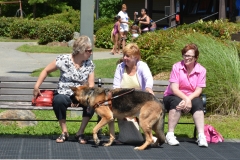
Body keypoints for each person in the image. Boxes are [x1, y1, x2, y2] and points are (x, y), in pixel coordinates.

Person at [33, 36, 95, 144]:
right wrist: (36, 86)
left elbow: (91, 85)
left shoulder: (89, 64)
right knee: (58, 100)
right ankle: (64, 131)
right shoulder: (63, 59)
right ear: (81, 50)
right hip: (64, 93)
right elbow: (46, 70)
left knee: (92, 102)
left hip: (81, 95)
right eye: (89, 50)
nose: (91, 52)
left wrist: (79, 99)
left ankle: (80, 132)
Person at [163, 43, 208, 147]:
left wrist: (188, 99)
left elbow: (198, 90)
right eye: (185, 55)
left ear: (196, 57)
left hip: (190, 97)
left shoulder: (201, 70)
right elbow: (174, 89)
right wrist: (186, 99)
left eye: (190, 56)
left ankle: (201, 136)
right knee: (176, 101)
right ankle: (170, 134)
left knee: (198, 102)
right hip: (172, 95)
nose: (186, 58)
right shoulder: (176, 67)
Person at [113, 43, 157, 144]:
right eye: (124, 55)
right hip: (124, 101)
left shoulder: (142, 66)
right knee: (132, 139)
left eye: (127, 56)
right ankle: (144, 137)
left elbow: (148, 79)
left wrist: (148, 88)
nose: (124, 58)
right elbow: (116, 87)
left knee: (148, 110)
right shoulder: (120, 67)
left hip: (139, 100)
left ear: (136, 57)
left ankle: (151, 135)